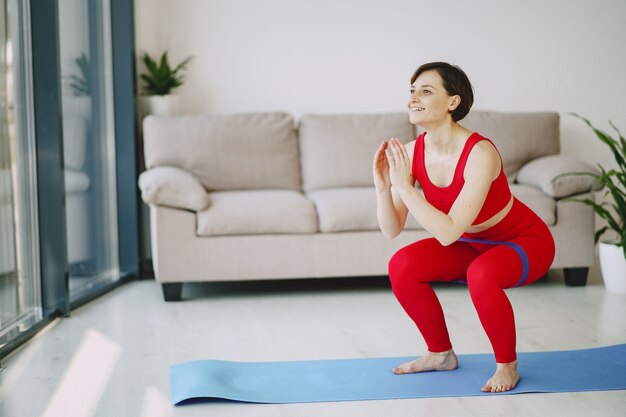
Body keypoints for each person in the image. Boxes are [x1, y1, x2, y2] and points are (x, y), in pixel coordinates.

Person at [372, 62, 555, 393]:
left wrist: (407, 188)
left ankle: (507, 366)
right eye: (411, 91)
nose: (414, 98)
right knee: (402, 265)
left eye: (426, 91)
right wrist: (385, 187)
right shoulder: (412, 153)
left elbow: (447, 232)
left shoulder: (479, 152)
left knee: (482, 274)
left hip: (523, 242)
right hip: (473, 243)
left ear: (453, 102)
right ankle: (440, 353)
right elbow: (390, 229)